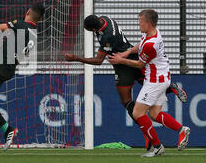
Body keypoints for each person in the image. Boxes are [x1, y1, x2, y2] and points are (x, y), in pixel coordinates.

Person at [64, 14, 187, 149]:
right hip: (130, 54)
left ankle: (150, 137)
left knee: (127, 101)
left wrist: (76, 58)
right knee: (153, 110)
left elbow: (98, 61)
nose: (139, 24)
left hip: (123, 64)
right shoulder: (106, 19)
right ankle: (171, 89)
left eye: (141, 22)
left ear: (94, 29)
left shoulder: (107, 37)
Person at [108, 9, 190, 157]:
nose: (138, 24)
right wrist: (127, 52)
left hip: (154, 81)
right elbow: (141, 44)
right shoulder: (152, 33)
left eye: (140, 22)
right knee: (154, 114)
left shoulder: (151, 44)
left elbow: (139, 64)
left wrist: (120, 60)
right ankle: (181, 130)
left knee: (137, 113)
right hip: (162, 77)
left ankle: (157, 147)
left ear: (149, 23)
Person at [0, 2, 45, 150]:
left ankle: (7, 129)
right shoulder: (33, 34)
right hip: (4, 65)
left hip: (0, 66)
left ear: (28, 11)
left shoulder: (22, 25)